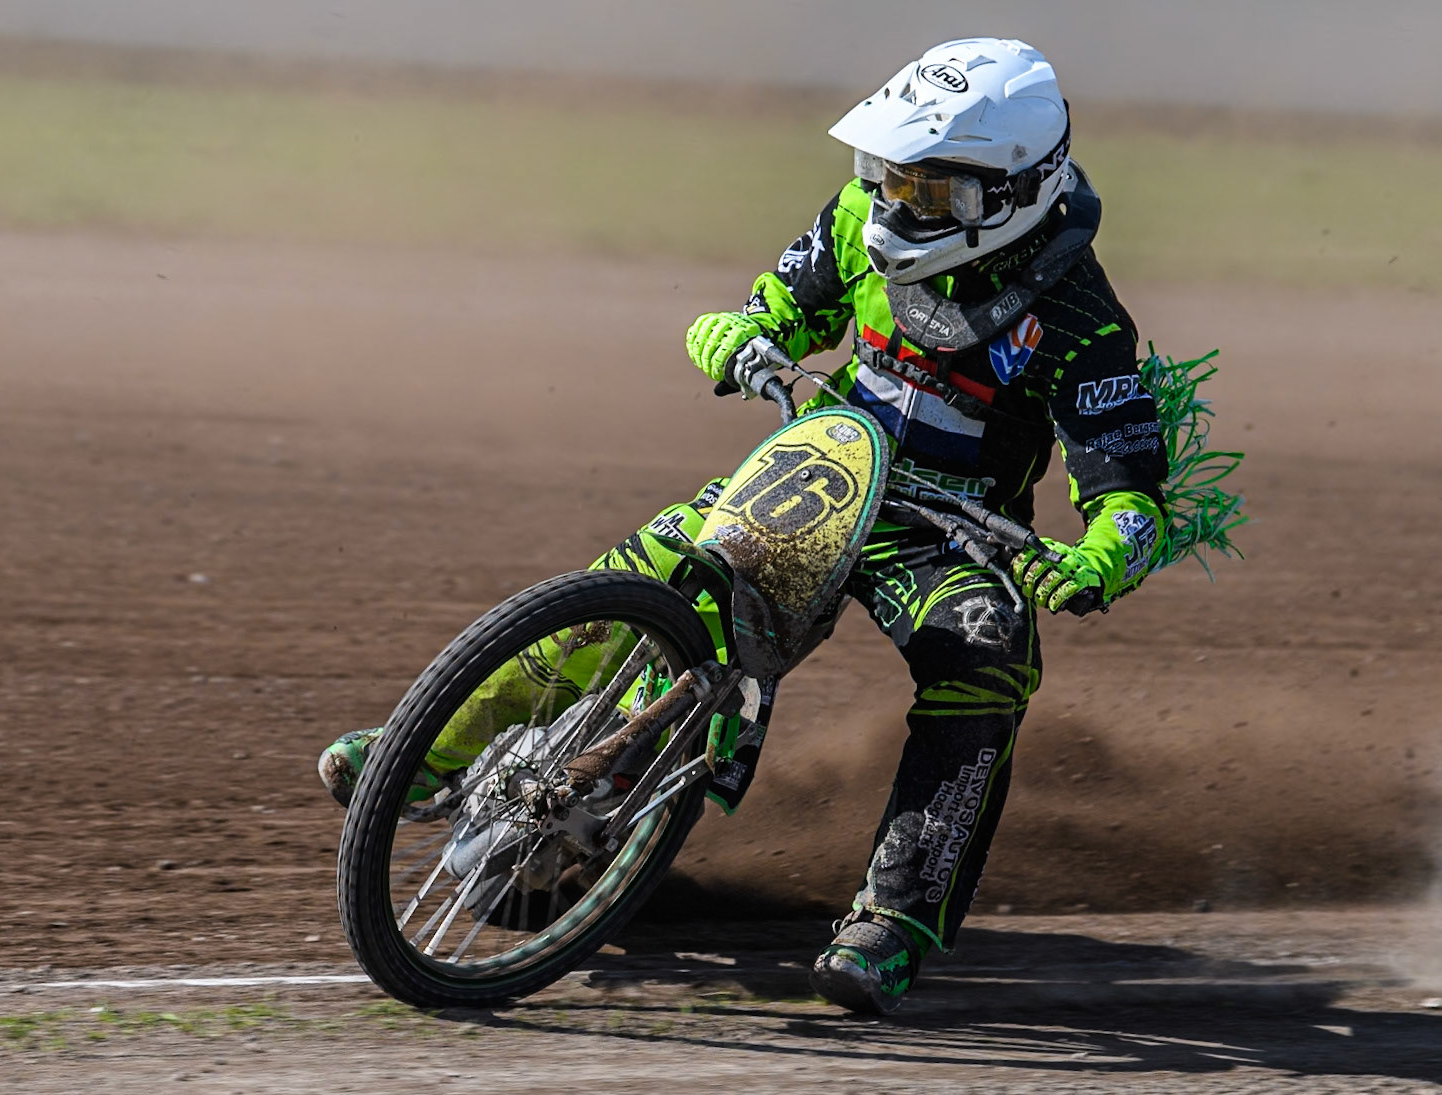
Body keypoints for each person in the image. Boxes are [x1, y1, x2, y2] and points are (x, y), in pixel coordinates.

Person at [320, 37, 1171, 1015]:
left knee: (987, 657)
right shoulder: (857, 219)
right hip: (825, 460)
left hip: (953, 527)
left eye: (929, 190)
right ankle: (425, 750)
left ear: (1011, 192)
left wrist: (1103, 555)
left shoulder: (1084, 321)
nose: (896, 203)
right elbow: (782, 309)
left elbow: (1131, 493)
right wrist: (741, 334)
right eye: (887, 174)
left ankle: (895, 922)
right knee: (647, 568)